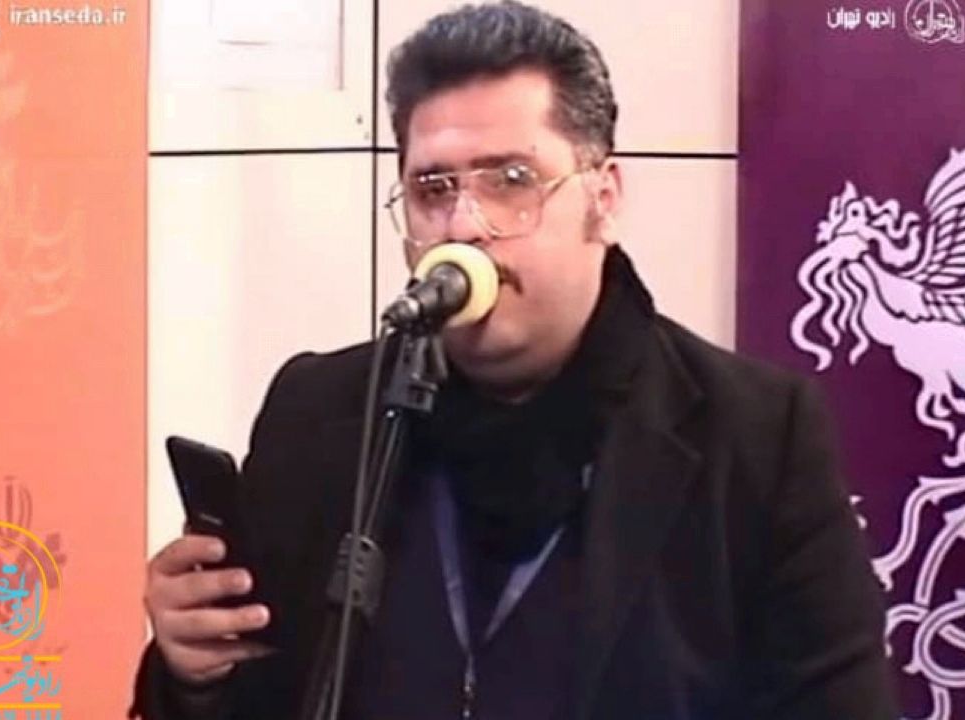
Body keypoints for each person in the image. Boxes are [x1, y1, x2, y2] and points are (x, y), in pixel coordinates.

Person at [129, 2, 898, 718]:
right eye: (433, 188)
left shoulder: (756, 439)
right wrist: (191, 673)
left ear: (604, 198)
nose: (465, 225)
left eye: (512, 181)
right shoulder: (321, 412)